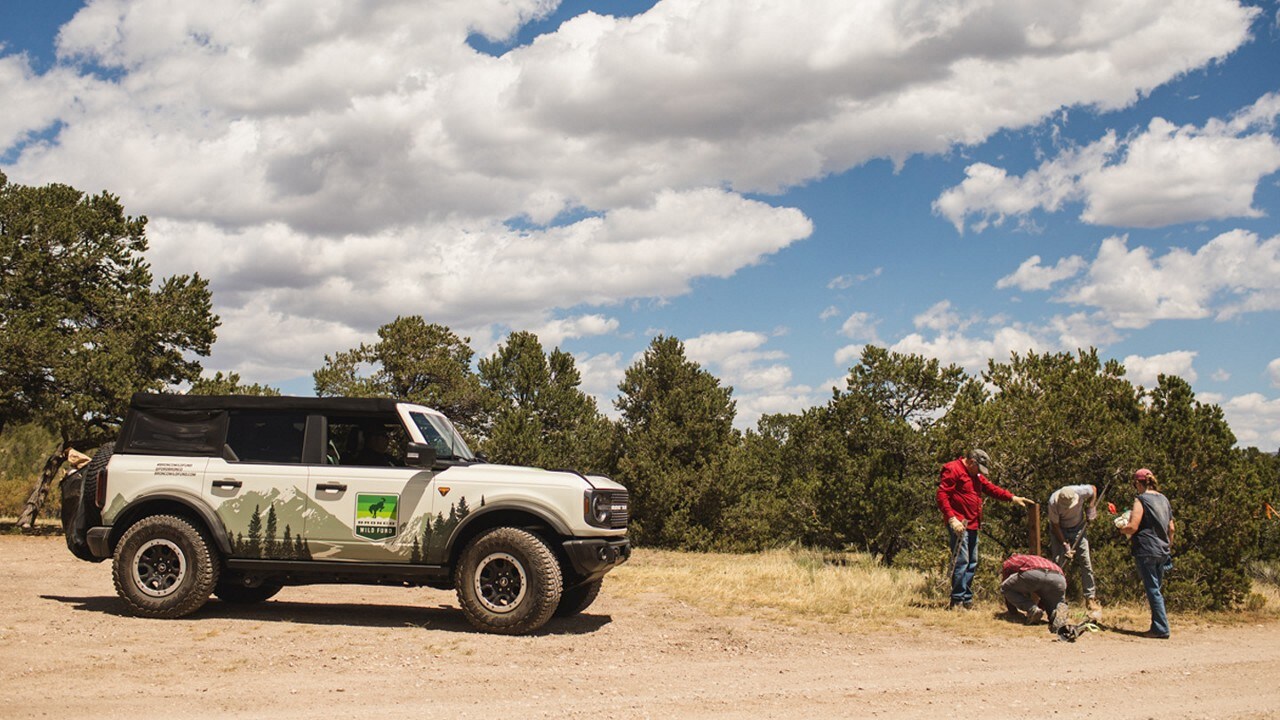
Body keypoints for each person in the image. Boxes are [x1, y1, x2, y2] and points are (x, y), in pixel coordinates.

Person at [937, 448, 1033, 609]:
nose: (979, 472)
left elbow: (991, 488)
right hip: (960, 524)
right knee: (962, 561)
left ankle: (967, 599)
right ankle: (957, 600)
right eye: (978, 468)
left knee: (972, 562)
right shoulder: (953, 469)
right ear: (972, 462)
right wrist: (952, 519)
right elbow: (942, 495)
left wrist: (1012, 498)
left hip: (973, 524)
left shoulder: (976, 476)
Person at [1117, 468, 1175, 639]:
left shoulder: (1141, 500)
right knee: (1157, 588)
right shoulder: (1164, 499)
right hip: (1163, 549)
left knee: (1152, 589)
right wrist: (1168, 546)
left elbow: (1133, 526)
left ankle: (1161, 628)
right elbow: (1171, 528)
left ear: (1137, 483)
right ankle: (1157, 625)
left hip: (1146, 548)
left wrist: (1121, 529)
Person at [1048, 484, 1101, 614]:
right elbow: (1055, 526)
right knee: (1058, 563)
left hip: (1078, 528)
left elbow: (1094, 489)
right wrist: (1065, 545)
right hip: (1060, 530)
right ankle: (1057, 600)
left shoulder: (1080, 491)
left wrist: (1091, 507)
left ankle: (1090, 598)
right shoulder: (1053, 502)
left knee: (1085, 561)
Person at [1000, 553, 1070, 631]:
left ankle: (1032, 609)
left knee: (1005, 588)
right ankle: (1056, 615)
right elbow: (1044, 599)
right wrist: (1040, 609)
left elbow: (1007, 583)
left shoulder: (1012, 559)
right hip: (1059, 578)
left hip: (1035, 573)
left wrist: (1013, 612)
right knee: (1050, 601)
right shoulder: (1038, 559)